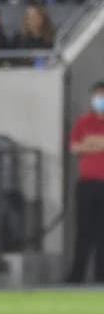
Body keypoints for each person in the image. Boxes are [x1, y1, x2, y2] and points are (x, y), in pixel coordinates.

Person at [65, 81, 104, 283]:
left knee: (102, 233)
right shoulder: (83, 122)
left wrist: (91, 143)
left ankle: (101, 276)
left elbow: (85, 145)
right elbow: (75, 148)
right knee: (84, 231)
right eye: (98, 96)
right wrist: (100, 143)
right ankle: (76, 275)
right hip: (87, 185)